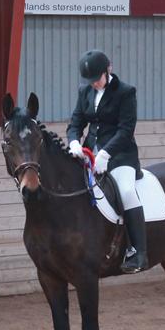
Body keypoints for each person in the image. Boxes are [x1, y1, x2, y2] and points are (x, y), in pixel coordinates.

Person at [66, 49, 148, 274]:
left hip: (120, 156)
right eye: (90, 81)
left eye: (97, 79)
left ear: (108, 70)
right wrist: (74, 142)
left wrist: (105, 154)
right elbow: (75, 123)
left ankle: (138, 252)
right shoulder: (85, 92)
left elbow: (125, 130)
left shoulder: (125, 92)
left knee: (127, 191)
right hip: (89, 154)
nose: (93, 84)